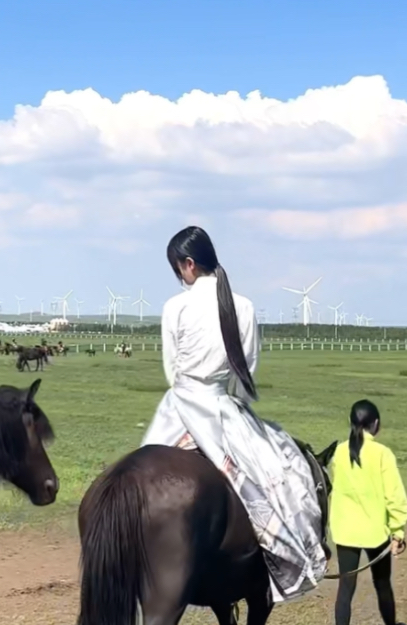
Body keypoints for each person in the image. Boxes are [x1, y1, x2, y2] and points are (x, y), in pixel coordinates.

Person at [140, 225, 327, 603]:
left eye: (178, 269)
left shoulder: (175, 307)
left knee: (136, 480)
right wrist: (234, 400)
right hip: (223, 409)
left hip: (177, 409)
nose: (180, 277)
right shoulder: (243, 306)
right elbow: (247, 373)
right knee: (281, 478)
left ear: (188, 264)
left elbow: (171, 370)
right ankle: (283, 552)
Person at [328, 399, 407, 625]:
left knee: (345, 589)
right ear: (375, 424)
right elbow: (394, 496)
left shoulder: (339, 452)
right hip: (376, 533)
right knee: (382, 583)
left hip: (345, 532)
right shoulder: (382, 453)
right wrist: (398, 531)